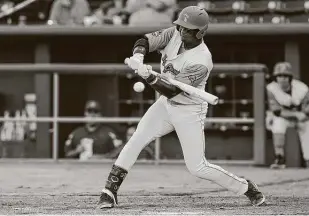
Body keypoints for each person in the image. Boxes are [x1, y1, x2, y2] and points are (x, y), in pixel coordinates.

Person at [97, 6, 265, 209]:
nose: (181, 31)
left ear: (200, 32)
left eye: (187, 29)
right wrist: (139, 57)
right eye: (181, 27)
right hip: (165, 105)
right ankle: (109, 191)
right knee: (136, 139)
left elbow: (172, 91)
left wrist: (149, 77)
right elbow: (145, 41)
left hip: (189, 110)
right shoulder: (174, 33)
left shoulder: (202, 60)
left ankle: (246, 188)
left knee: (197, 167)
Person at [266, 62, 309, 169]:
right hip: (283, 117)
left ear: (290, 78)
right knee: (277, 123)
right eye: (279, 76)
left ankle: (308, 159)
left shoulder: (302, 88)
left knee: (307, 127)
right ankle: (279, 158)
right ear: (276, 77)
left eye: (285, 76)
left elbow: (306, 108)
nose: (282, 79)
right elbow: (277, 111)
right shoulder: (271, 88)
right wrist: (295, 114)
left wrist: (303, 114)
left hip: (301, 117)